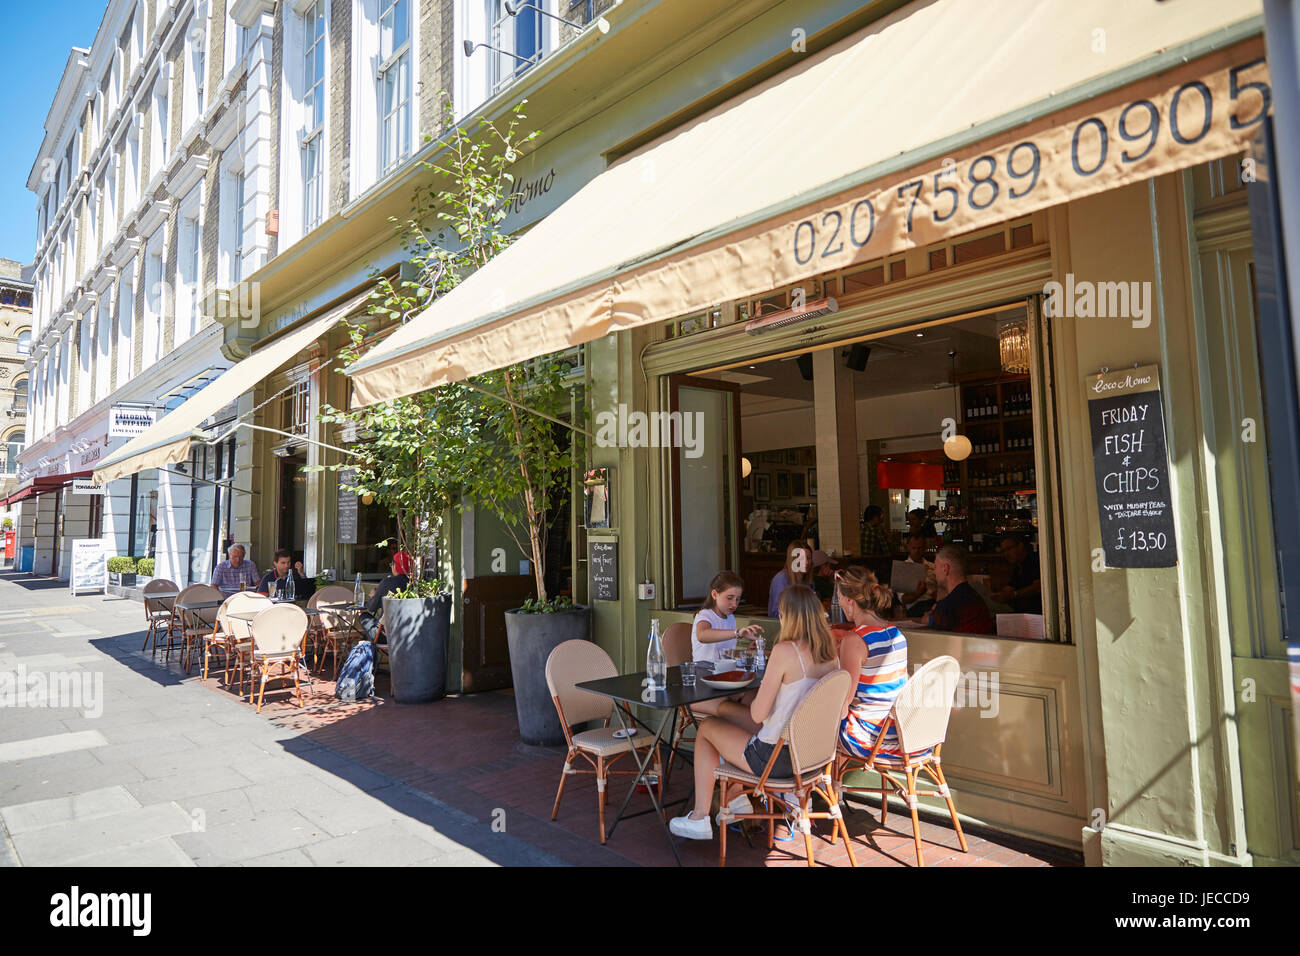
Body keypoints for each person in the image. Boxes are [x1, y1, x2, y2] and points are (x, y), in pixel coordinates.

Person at [669, 586, 841, 841]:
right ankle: (736, 800)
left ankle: (700, 817)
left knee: (707, 729)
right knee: (726, 712)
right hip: (811, 756)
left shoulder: (785, 651)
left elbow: (759, 714)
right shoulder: (832, 655)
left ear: (786, 616)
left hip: (775, 759)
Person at [834, 566, 911, 758]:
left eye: (839, 598)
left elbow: (842, 707)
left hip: (868, 738)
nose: (839, 603)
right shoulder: (896, 633)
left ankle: (806, 785)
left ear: (851, 601)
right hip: (900, 734)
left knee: (806, 722)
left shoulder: (855, 640)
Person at [692, 570, 763, 716]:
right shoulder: (705, 615)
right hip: (706, 680)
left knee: (757, 695)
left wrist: (749, 651)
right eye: (729, 598)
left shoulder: (730, 618)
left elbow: (725, 654)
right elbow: (702, 635)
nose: (734, 604)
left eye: (737, 599)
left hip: (726, 678)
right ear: (714, 594)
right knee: (745, 708)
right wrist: (737, 633)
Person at [926, 544, 994, 634]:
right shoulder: (975, 596)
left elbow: (932, 623)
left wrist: (929, 617)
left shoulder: (948, 605)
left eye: (935, 567)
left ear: (945, 569)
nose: (934, 572)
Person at [359, 551, 412, 643]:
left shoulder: (387, 582)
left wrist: (375, 596)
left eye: (392, 564)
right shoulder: (413, 584)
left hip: (385, 635)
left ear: (396, 566)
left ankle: (366, 652)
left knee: (364, 616)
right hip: (407, 634)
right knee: (368, 634)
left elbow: (371, 607)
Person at [995, 534, 1042, 614]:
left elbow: (1038, 586)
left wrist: (1015, 594)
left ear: (1020, 546)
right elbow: (1010, 587)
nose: (1006, 554)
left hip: (1037, 613)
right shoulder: (1018, 566)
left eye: (1009, 549)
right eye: (1004, 551)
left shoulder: (1034, 561)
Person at [767, 542, 812, 618]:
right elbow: (777, 613)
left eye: (809, 558)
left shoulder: (807, 582)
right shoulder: (781, 579)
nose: (806, 562)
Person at [898, 533, 938, 617]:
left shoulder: (933, 567)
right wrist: (918, 594)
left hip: (935, 604)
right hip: (916, 607)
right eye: (914, 548)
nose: (916, 551)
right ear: (908, 547)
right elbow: (903, 599)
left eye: (919, 548)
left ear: (924, 548)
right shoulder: (902, 569)